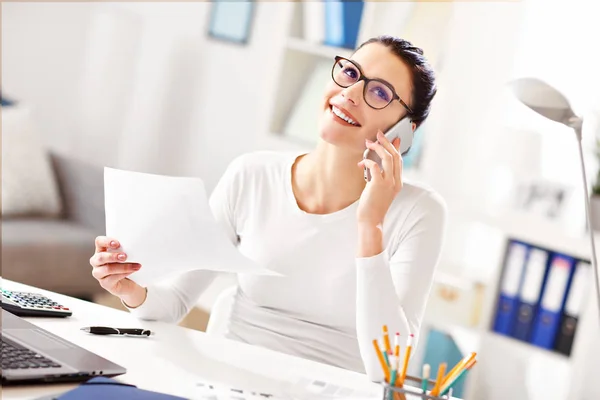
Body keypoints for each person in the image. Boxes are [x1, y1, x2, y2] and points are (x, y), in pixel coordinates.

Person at [89, 35, 447, 381]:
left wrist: (371, 227)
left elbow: (388, 369)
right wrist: (129, 287)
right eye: (351, 73)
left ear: (405, 131)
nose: (350, 93)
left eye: (379, 92)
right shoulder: (252, 174)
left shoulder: (419, 212)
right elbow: (174, 302)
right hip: (225, 384)